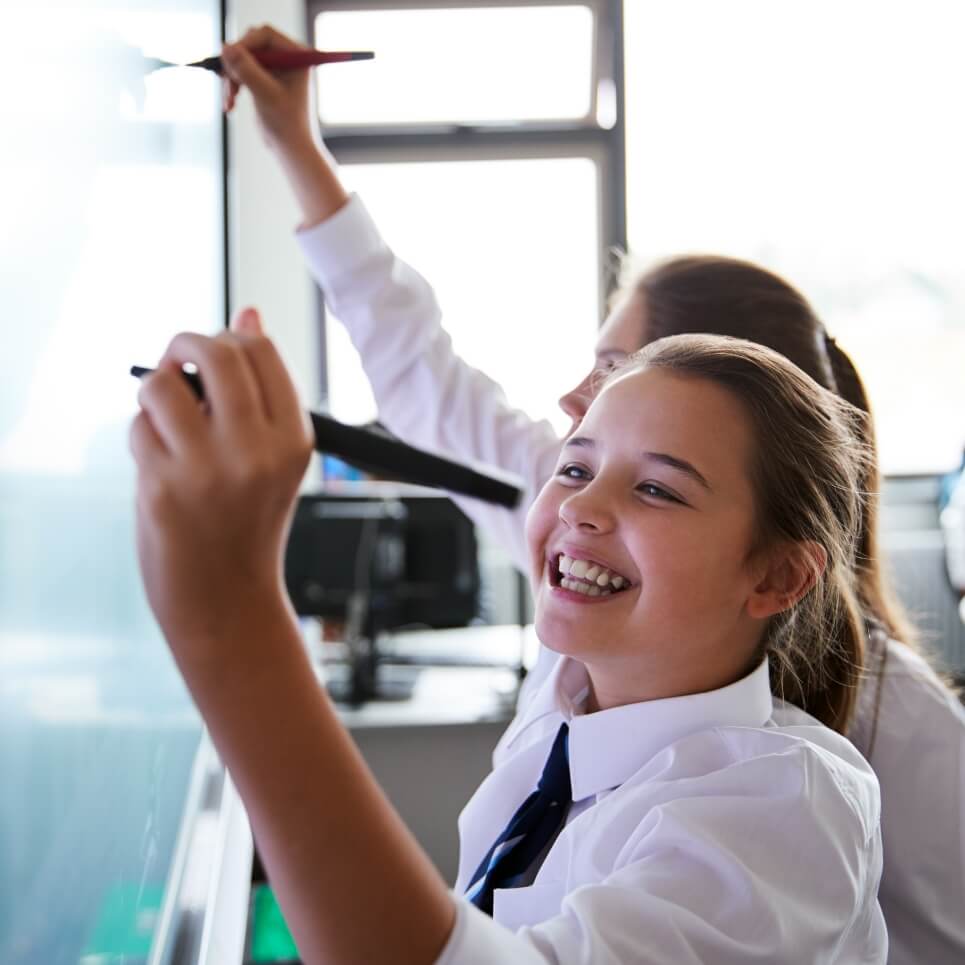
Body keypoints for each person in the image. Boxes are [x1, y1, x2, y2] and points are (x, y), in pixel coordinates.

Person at [220, 27, 965, 963]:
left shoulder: (819, 771)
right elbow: (424, 379)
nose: (575, 402)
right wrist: (295, 141)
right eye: (576, 460)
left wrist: (227, 610)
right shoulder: (587, 644)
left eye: (618, 367)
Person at [130, 320, 886, 962]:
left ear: (779, 576)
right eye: (574, 466)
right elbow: (439, 391)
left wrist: (229, 621)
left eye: (656, 487)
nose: (580, 506)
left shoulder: (787, 805)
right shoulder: (565, 695)